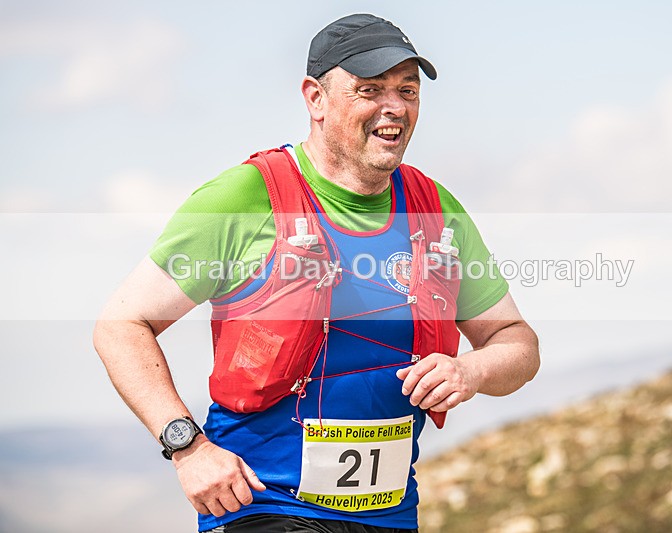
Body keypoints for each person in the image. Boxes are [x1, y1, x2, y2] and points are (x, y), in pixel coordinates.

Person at [94, 13, 539, 533]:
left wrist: (473, 371)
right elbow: (121, 325)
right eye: (369, 89)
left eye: (408, 89)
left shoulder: (435, 210)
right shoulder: (244, 197)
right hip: (263, 507)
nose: (394, 106)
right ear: (315, 98)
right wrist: (186, 446)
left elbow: (516, 342)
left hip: (391, 515)